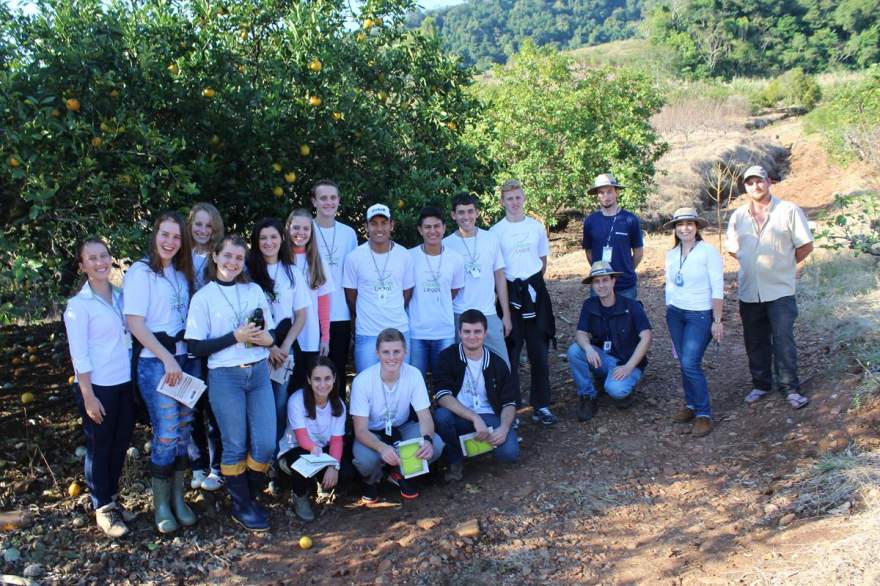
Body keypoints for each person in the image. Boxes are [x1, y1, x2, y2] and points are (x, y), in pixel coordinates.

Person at [185, 235, 277, 532]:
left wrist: (267, 339)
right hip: (225, 376)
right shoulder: (204, 297)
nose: (233, 262)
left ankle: (250, 494)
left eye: (239, 258)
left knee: (265, 443)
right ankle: (242, 504)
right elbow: (195, 346)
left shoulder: (254, 290)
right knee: (235, 443)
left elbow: (271, 332)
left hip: (258, 372)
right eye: (227, 256)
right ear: (215, 256)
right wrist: (234, 337)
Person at [125, 211, 200, 534]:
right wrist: (167, 358)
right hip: (157, 362)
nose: (170, 241)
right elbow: (135, 323)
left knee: (183, 430)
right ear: (155, 235)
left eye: (176, 236)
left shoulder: (182, 273)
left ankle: (178, 499)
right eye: (165, 234)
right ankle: (161, 506)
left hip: (186, 359)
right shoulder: (141, 272)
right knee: (167, 431)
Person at [64, 238, 136, 537]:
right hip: (99, 386)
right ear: (82, 266)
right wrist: (88, 396)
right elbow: (79, 356)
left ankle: (112, 498)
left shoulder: (121, 296)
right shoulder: (78, 306)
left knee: (120, 443)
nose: (100, 262)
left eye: (104, 256)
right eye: (92, 258)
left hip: (125, 382)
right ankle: (102, 506)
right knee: (100, 446)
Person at [726, 165, 813, 409]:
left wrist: (784, 264)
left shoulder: (788, 211)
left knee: (783, 339)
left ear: (769, 182)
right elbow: (733, 249)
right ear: (745, 187)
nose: (755, 186)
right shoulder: (738, 216)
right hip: (749, 290)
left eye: (759, 181)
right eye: (750, 182)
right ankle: (761, 384)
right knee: (755, 340)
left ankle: (790, 387)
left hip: (780, 290)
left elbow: (806, 245)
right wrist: (752, 264)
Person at [490, 180, 557, 426]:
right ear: (502, 202)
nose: (514, 202)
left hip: (534, 294)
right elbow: (497, 270)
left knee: (539, 353)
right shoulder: (495, 232)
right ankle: (513, 410)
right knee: (511, 354)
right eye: (509, 198)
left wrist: (532, 286)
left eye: (518, 197)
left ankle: (542, 405)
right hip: (509, 296)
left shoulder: (536, 227)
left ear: (524, 198)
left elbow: (542, 261)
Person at [349, 329, 445, 502]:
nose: (392, 357)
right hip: (373, 432)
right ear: (377, 353)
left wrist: (427, 440)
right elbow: (360, 430)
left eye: (397, 351)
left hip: (402, 428)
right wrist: (381, 448)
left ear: (405, 351)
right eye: (386, 352)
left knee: (435, 445)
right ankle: (373, 479)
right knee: (365, 461)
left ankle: (400, 473)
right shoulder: (362, 381)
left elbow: (425, 417)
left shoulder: (414, 374)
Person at [433, 310, 519, 482]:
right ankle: (454, 461)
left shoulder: (497, 363)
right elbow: (442, 396)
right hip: (460, 417)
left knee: (510, 453)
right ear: (459, 333)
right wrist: (474, 417)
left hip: (489, 417)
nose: (472, 337)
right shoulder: (447, 357)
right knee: (442, 416)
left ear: (485, 333)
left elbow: (509, 403)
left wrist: (504, 427)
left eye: (477, 331)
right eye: (467, 332)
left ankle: (480, 448)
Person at [247, 218, 310, 446]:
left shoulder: (292, 272)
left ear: (282, 239)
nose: (269, 242)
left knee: (279, 403)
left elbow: (301, 315)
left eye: (273, 237)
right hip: (255, 347)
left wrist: (284, 347)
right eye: (263, 238)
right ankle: (255, 451)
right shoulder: (247, 272)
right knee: (256, 402)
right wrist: (269, 346)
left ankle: (274, 453)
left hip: (285, 348)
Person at [663, 208, 724, 437]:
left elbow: (717, 287)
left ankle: (703, 414)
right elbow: (670, 286)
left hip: (700, 314)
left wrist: (717, 320)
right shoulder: (672, 254)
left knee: (690, 362)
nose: (684, 228)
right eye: (680, 224)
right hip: (675, 314)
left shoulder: (708, 252)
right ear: (675, 228)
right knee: (683, 362)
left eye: (689, 223)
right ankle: (690, 405)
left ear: (697, 227)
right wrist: (669, 311)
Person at [566, 261, 652, 421]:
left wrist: (629, 366)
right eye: (597, 282)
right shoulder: (589, 305)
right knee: (575, 351)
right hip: (603, 358)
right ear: (592, 285)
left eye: (605, 280)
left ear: (613, 281)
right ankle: (588, 396)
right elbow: (580, 333)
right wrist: (588, 349)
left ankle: (624, 387)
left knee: (616, 390)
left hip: (626, 363)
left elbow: (646, 337)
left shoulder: (631, 306)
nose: (601, 285)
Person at [277, 357, 352, 522]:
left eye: (327, 378)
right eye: (317, 379)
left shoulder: (338, 404)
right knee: (302, 463)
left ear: (334, 378)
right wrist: (313, 449)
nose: (322, 384)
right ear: (309, 380)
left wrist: (334, 466)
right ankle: (300, 496)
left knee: (346, 472)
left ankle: (320, 482)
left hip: (322, 450)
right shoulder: (297, 400)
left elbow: (337, 441)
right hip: (297, 448)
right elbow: (302, 437)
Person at [343, 204, 415, 373]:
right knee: (366, 380)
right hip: (367, 332)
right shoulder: (354, 257)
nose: (379, 228)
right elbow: (351, 296)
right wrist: (369, 312)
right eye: (374, 223)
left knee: (400, 382)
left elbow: (407, 293)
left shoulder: (404, 255)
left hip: (398, 330)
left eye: (384, 223)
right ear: (366, 227)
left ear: (392, 225)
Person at [443, 194, 511, 367]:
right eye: (461, 212)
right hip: (459, 313)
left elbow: (500, 276)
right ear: (453, 215)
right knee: (463, 367)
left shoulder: (490, 239)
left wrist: (506, 314)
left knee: (503, 365)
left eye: (470, 211)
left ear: (477, 213)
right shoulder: (446, 244)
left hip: (488, 312)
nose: (466, 216)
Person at [186, 203, 225, 492]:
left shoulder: (219, 256)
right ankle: (197, 464)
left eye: (208, 225)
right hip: (186, 341)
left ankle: (216, 467)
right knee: (190, 405)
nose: (202, 230)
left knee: (214, 407)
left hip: (214, 341)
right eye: (197, 224)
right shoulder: (179, 256)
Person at [311, 180, 359, 399]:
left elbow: (354, 274)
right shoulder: (306, 230)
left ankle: (337, 415)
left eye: (333, 198)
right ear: (314, 202)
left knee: (337, 369)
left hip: (340, 313)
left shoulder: (349, 233)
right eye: (323, 198)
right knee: (311, 369)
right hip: (311, 314)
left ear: (339, 200)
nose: (328, 202)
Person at [408, 206, 465, 380]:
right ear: (420, 230)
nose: (432, 231)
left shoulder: (456, 259)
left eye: (437, 226)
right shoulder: (409, 257)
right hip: (416, 332)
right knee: (416, 381)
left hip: (444, 331)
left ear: (444, 228)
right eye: (427, 227)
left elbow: (453, 291)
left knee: (444, 381)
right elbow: (406, 292)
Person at [286, 208, 335, 392]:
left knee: (304, 386)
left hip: (309, 334)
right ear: (288, 228)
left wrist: (325, 337)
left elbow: (324, 302)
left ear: (312, 232)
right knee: (283, 387)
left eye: (306, 228)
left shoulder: (317, 261)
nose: (301, 232)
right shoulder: (280, 259)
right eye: (296, 227)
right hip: (284, 334)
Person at [581, 173, 644, 298]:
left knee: (627, 312)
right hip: (599, 285)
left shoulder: (630, 219)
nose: (605, 196)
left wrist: (626, 270)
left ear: (617, 193)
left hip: (625, 285)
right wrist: (601, 273)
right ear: (597, 195)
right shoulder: (590, 221)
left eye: (609, 192)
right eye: (601, 192)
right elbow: (589, 253)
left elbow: (638, 252)